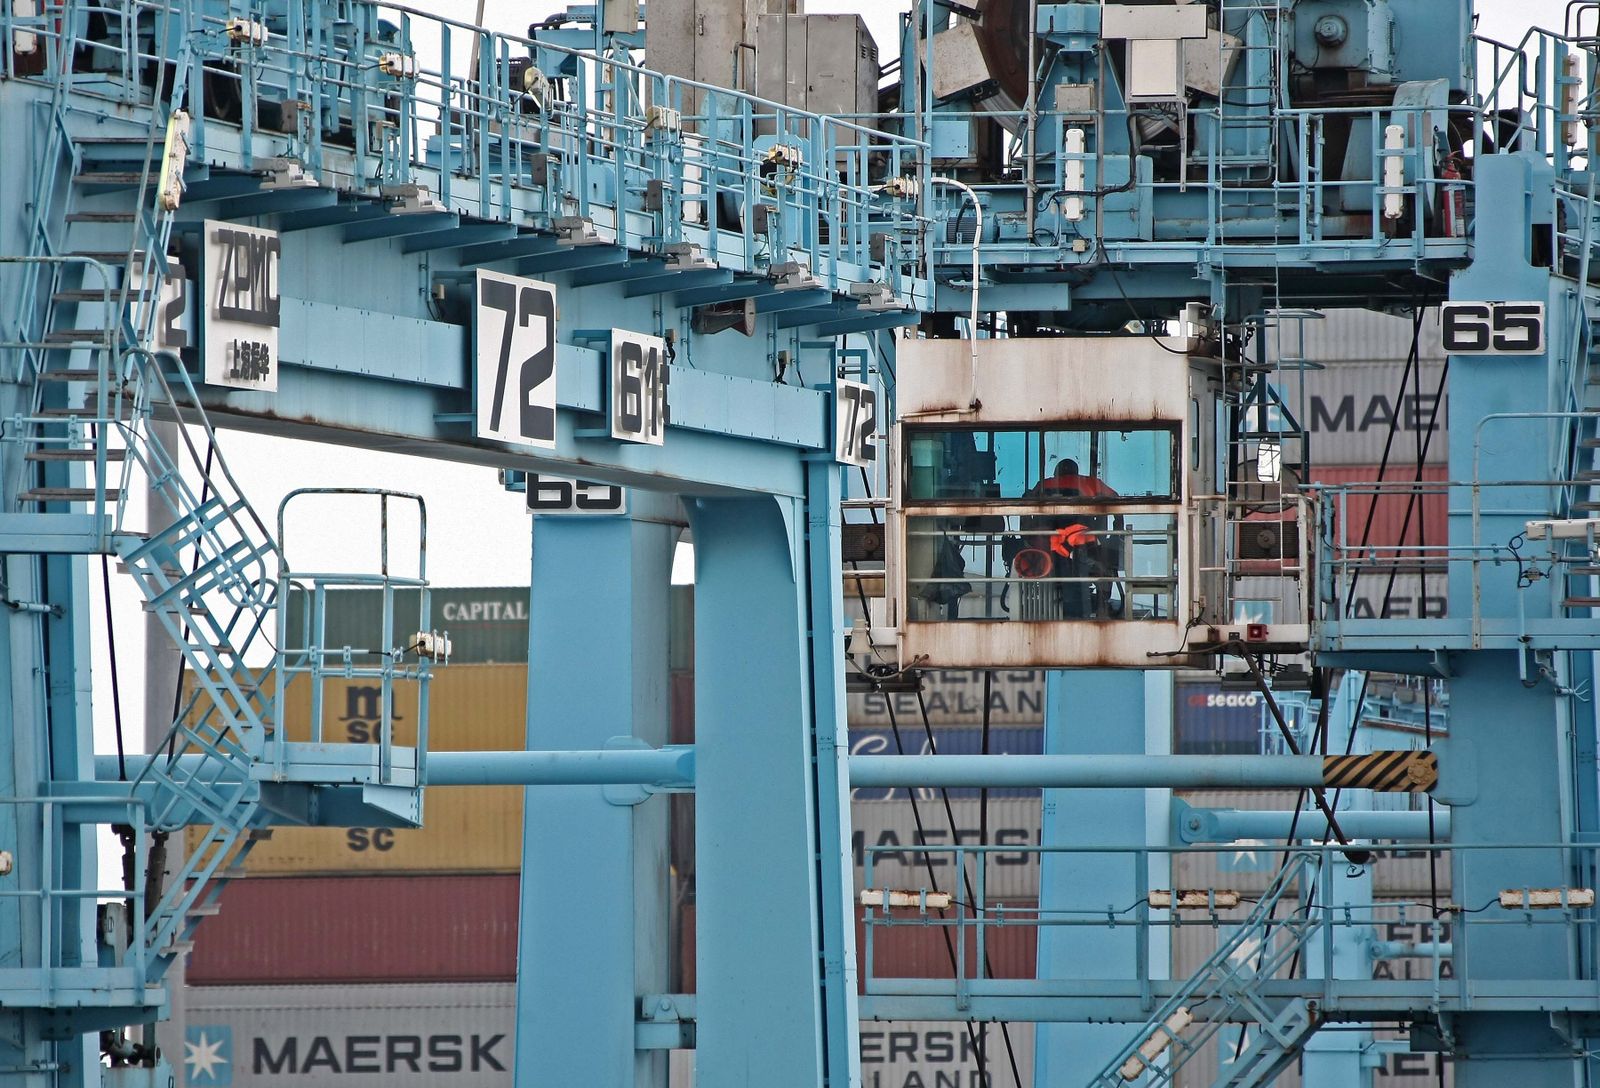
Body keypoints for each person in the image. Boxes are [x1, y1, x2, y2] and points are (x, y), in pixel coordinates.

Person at [1007, 458, 1124, 618]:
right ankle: (1101, 606)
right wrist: (1116, 533)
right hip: (1081, 542)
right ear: (1076, 471)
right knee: (1104, 566)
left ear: (1056, 472)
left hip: (1047, 546)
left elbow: (1026, 506)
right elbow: (1116, 500)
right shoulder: (1090, 483)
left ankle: (1044, 604)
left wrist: (1027, 536)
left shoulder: (1044, 484)